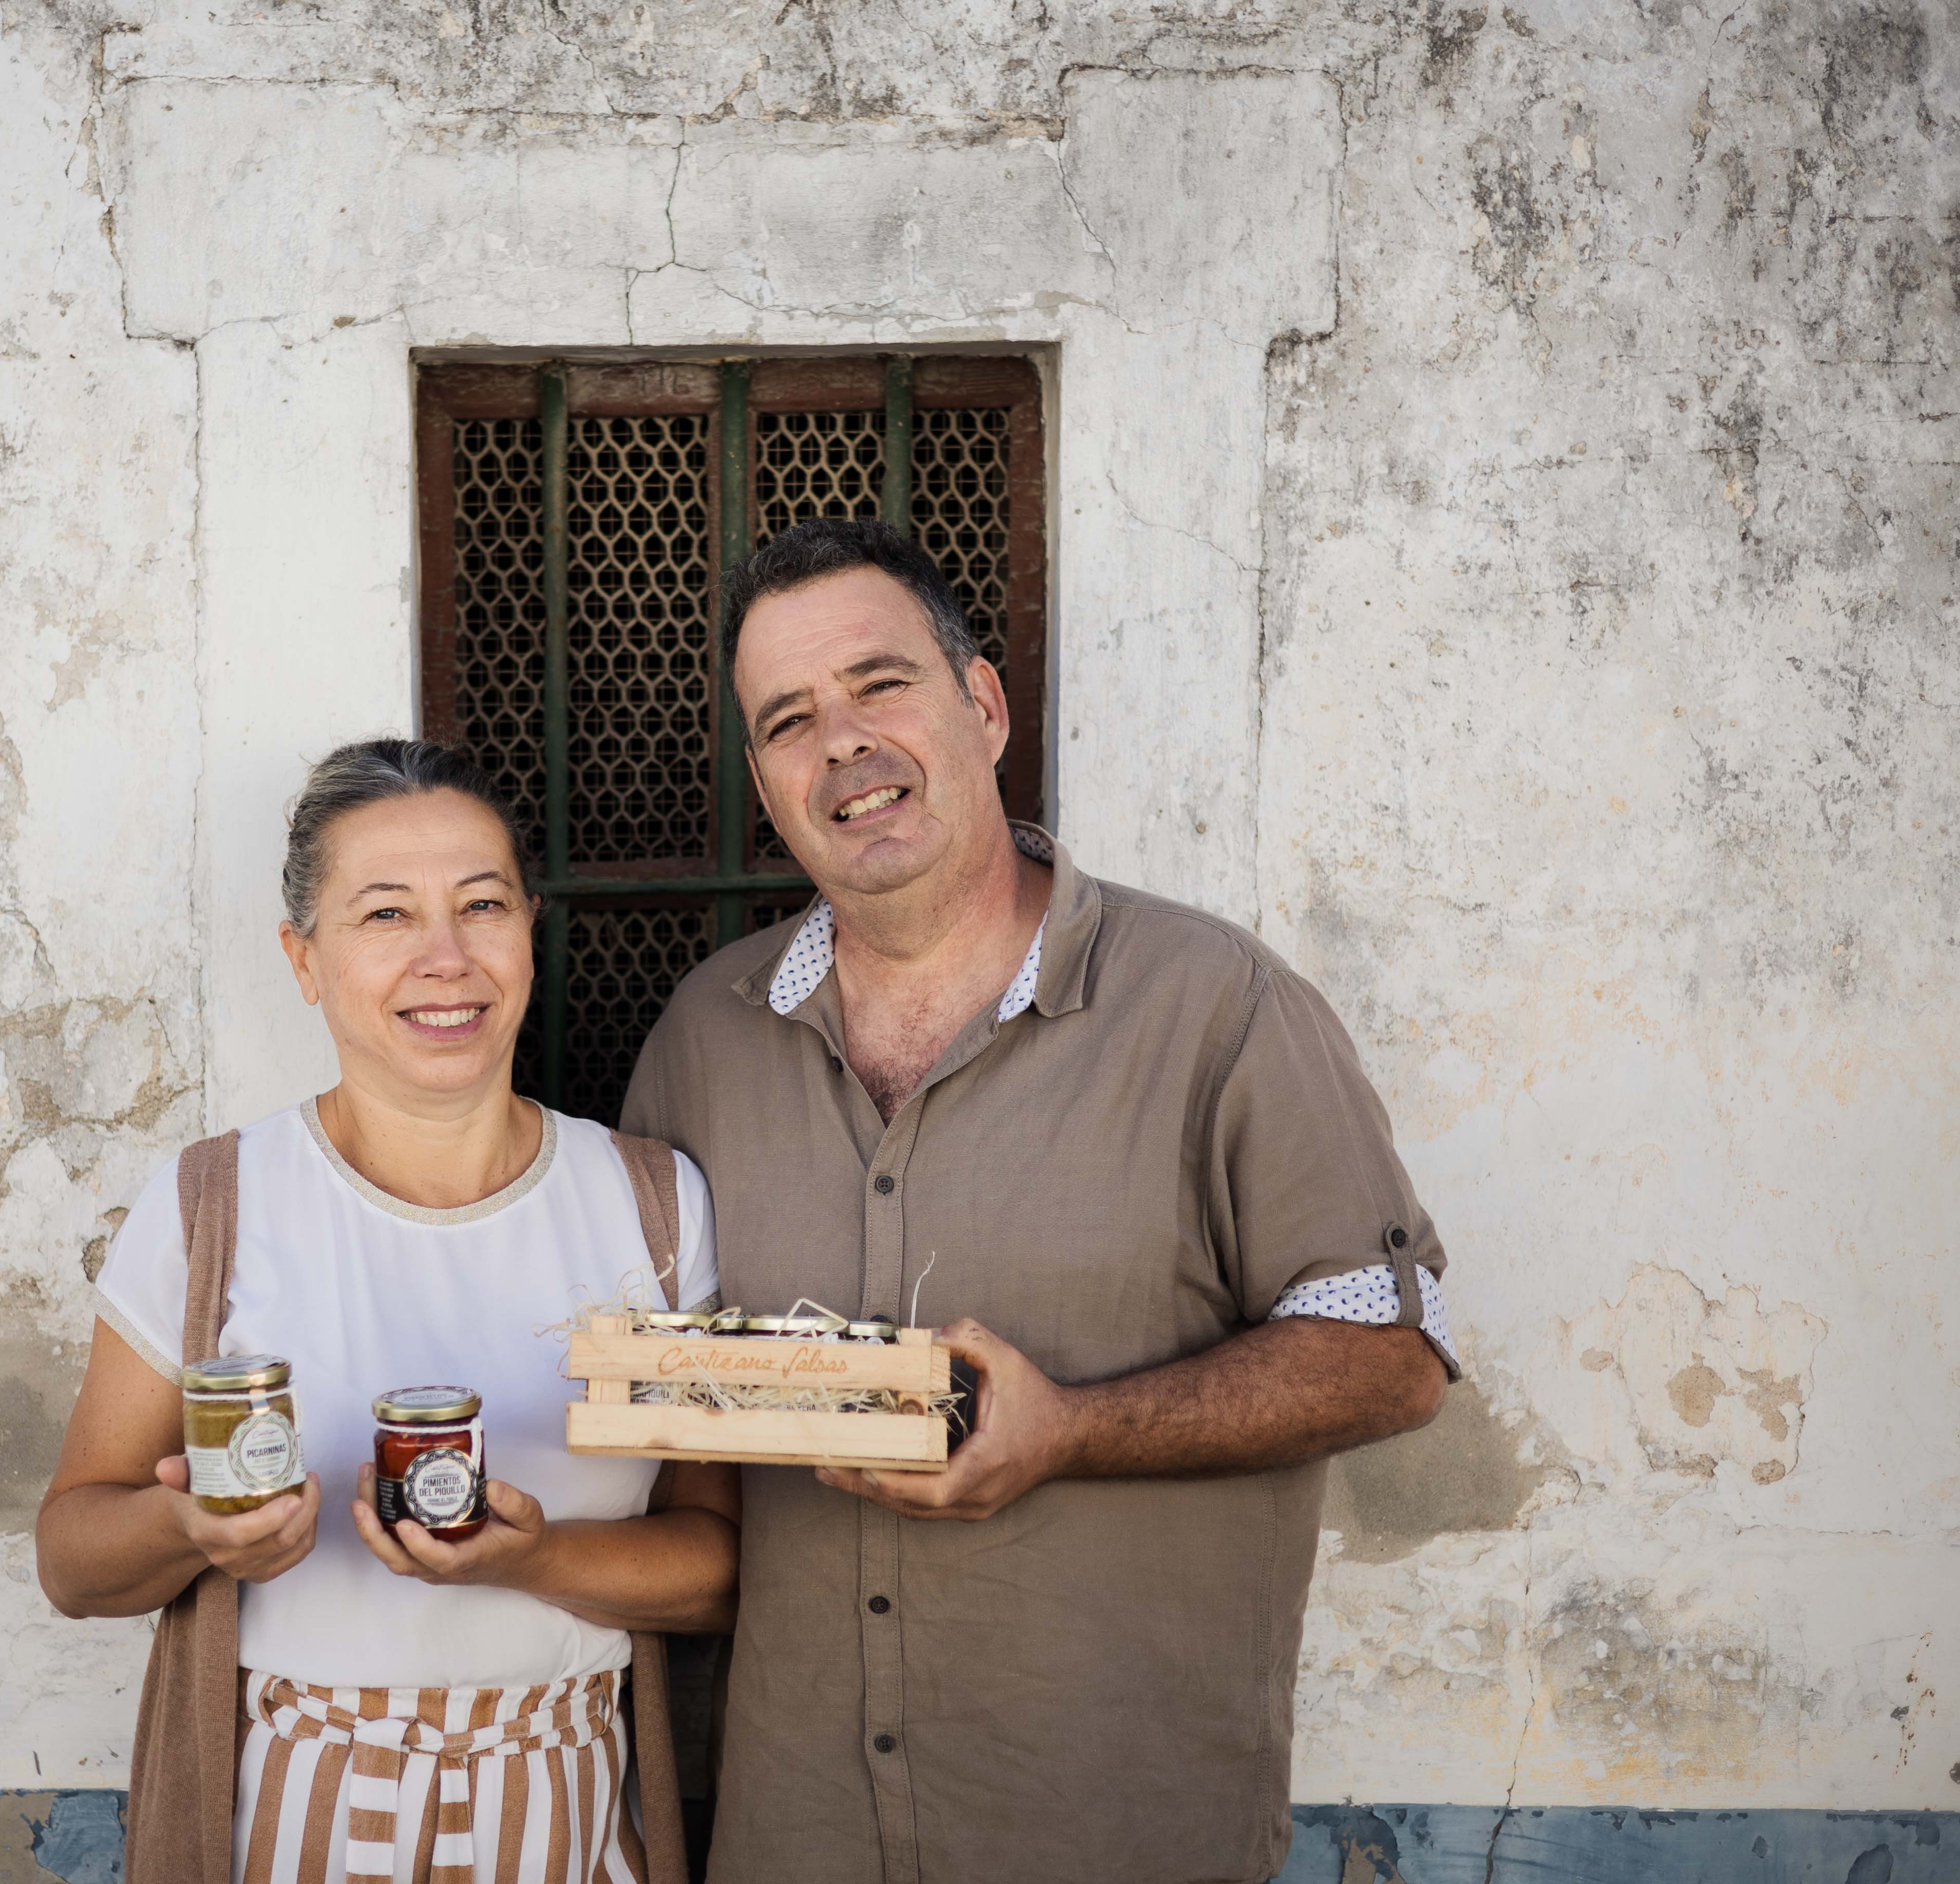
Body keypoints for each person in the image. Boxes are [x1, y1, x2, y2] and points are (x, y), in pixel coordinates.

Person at [621, 519, 1465, 1884]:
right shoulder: (704, 1040)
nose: (842, 742)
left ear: (985, 705)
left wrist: (1073, 1429)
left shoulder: (1216, 1007)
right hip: (797, 1837)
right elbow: (658, 1411)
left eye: (880, 684)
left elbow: (1392, 1363)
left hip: (1114, 1836)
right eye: (788, 720)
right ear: (765, 779)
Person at [39, 739, 737, 1884]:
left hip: (564, 1801)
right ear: (303, 960)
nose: (446, 959)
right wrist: (188, 1530)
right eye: (386, 916)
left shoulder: (651, 1205)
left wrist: (529, 1557)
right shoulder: (214, 1206)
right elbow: (70, 1561)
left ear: (530, 928)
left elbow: (715, 1569)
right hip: (295, 1809)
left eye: (482, 905)